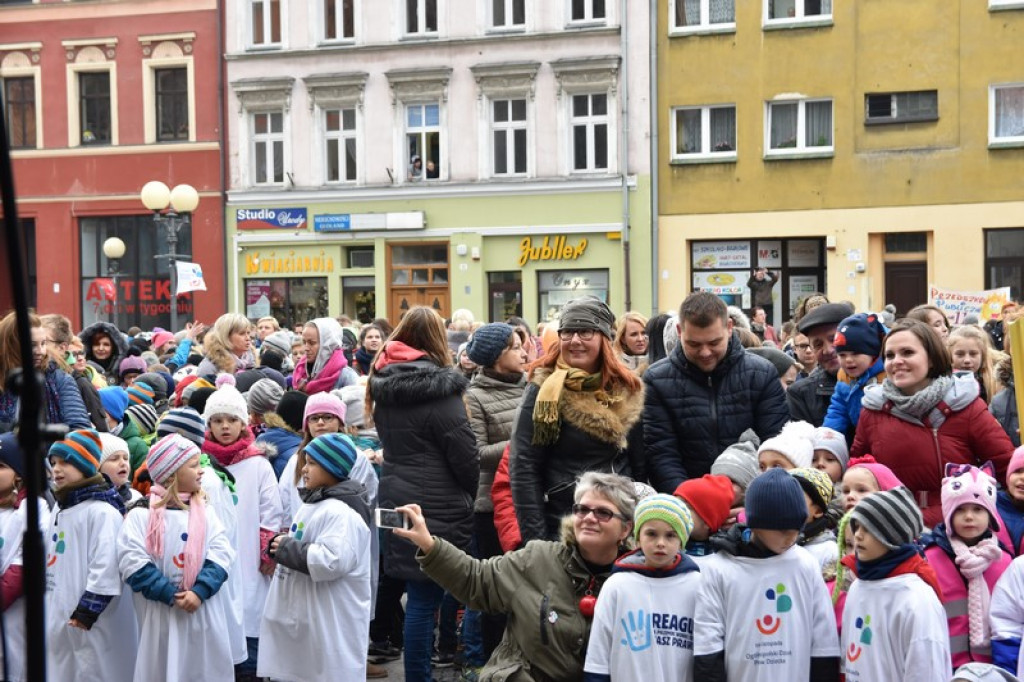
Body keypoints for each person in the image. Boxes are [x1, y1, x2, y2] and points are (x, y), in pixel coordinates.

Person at [393, 472, 637, 681]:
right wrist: (428, 543)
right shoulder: (539, 558)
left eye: (603, 512)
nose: (589, 517)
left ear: (625, 528)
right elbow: (477, 579)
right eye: (582, 509)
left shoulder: (634, 581)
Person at [366, 306, 478, 682]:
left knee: (416, 593)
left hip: (396, 493)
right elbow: (464, 456)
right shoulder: (441, 392)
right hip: (436, 502)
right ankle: (420, 676)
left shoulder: (382, 385)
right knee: (427, 596)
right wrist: (469, 491)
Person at [851, 319, 1015, 527]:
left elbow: (1007, 467)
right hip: (893, 529)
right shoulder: (872, 411)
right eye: (890, 355)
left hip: (957, 530)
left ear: (931, 359)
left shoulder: (966, 405)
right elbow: (858, 472)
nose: (896, 361)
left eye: (907, 353)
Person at [510, 296, 645, 541]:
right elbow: (523, 467)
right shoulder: (543, 389)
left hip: (620, 522)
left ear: (604, 339)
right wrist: (535, 541)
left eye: (584, 332)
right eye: (567, 332)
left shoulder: (627, 387)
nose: (574, 341)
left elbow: (640, 461)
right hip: (566, 523)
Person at [693, 468, 840, 681]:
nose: (791, 537)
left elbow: (823, 638)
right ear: (756, 524)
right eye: (782, 530)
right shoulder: (721, 568)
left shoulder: (804, 564)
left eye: (796, 529)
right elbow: (708, 639)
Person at [644, 291, 789, 493]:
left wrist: (748, 496)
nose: (705, 352)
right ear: (679, 331)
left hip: (752, 494)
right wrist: (689, 501)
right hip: (686, 500)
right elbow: (661, 453)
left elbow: (775, 444)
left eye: (714, 343)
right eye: (694, 344)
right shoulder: (656, 380)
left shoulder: (761, 373)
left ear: (729, 327)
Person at [118, 434, 236, 681]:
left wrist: (199, 590)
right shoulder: (142, 516)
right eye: (193, 465)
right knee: (163, 669)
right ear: (171, 475)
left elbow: (222, 553)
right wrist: (168, 594)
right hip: (161, 614)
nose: (201, 470)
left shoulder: (206, 513)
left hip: (202, 611)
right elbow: (132, 560)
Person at [259, 433, 373, 682]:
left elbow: (333, 561)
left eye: (311, 463)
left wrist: (287, 549)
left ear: (332, 468)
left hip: (326, 622)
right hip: (304, 620)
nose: (304, 469)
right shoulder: (314, 504)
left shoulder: (342, 513)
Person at [201, 384, 285, 680]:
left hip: (249, 558)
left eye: (232, 420)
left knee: (250, 626)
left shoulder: (258, 464)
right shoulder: (199, 465)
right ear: (208, 424)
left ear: (244, 422)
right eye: (218, 420)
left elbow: (271, 511)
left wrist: (266, 548)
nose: (225, 426)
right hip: (211, 558)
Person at [45, 429, 136, 682]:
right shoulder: (61, 507)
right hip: (60, 613)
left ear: (86, 465)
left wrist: (88, 609)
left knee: (93, 669)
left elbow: (105, 565)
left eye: (66, 462)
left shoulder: (102, 511)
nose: (57, 469)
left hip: (90, 620)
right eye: (53, 463)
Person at [462, 322, 528, 666]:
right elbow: (476, 453)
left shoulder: (531, 387)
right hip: (490, 507)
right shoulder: (474, 396)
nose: (524, 352)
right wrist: (522, 439)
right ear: (496, 356)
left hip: (529, 499)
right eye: (516, 347)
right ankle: (490, 664)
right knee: (496, 594)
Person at [584, 493, 701, 681]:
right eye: (651, 534)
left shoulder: (698, 586)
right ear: (638, 538)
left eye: (670, 535)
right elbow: (598, 658)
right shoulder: (617, 586)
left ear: (682, 541)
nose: (660, 543)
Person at [842, 487, 949, 681]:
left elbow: (926, 670)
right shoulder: (857, 586)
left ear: (892, 537)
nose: (857, 535)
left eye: (869, 529)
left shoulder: (917, 598)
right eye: (857, 526)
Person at [922, 463, 1012, 668]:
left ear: (991, 515)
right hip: (945, 667)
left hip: (993, 668)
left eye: (978, 509)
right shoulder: (929, 559)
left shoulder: (1003, 559)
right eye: (960, 509)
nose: (969, 516)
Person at [0, 432, 50, 682]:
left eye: (1, 466)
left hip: (14, 616)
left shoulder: (33, 508)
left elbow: (23, 566)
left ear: (19, 473)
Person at [0, 311, 92, 432]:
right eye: (32, 345)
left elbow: (81, 431)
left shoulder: (59, 379)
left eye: (43, 343)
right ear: (11, 345)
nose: (41, 351)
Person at [787, 302, 854, 427]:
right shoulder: (801, 394)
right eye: (818, 344)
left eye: (834, 339)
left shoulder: (886, 379)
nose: (828, 350)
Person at [823, 312, 888, 441]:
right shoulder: (843, 377)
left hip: (887, 440)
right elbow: (837, 410)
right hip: (861, 438)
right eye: (842, 355)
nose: (848, 360)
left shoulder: (888, 376)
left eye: (856, 354)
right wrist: (828, 437)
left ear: (873, 353)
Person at [293, 317, 358, 394]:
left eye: (312, 343)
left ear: (328, 345)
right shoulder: (300, 371)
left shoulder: (346, 377)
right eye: (304, 342)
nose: (306, 348)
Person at [949, 325, 1000, 404]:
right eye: (960, 354)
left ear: (982, 356)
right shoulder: (944, 387)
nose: (967, 360)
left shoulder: (994, 386)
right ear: (950, 356)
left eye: (973, 354)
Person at [196, 313, 256, 379]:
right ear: (226, 336)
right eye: (242, 334)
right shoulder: (209, 367)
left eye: (248, 333)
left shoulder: (252, 359)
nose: (248, 338)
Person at [79, 320, 128, 386]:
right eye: (96, 344)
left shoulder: (123, 370)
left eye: (106, 344)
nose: (101, 348)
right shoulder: (82, 370)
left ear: (114, 347)